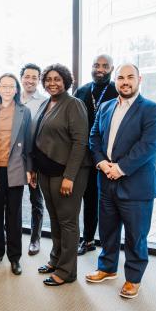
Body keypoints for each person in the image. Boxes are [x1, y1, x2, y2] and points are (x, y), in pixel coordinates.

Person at [85, 64, 156, 299]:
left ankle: (133, 278)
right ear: (115, 81)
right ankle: (107, 268)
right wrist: (101, 163)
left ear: (139, 79)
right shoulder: (107, 106)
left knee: (135, 235)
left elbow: (150, 144)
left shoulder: (152, 109)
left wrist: (120, 168)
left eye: (130, 77)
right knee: (108, 230)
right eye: (121, 78)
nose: (125, 82)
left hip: (136, 185)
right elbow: (94, 136)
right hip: (106, 181)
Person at [32, 63, 91, 286]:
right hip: (47, 171)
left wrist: (70, 177)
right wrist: (35, 169)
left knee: (67, 222)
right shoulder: (46, 103)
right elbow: (40, 137)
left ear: (66, 81)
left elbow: (80, 143)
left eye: (57, 79)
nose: (52, 83)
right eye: (48, 79)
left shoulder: (74, 104)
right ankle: (56, 259)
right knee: (55, 219)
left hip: (67, 173)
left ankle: (67, 271)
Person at [0, 73, 32, 275]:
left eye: (11, 86)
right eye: (4, 86)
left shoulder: (24, 111)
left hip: (16, 169)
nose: (8, 89)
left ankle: (14, 257)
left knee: (14, 215)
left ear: (16, 89)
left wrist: (29, 169)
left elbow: (28, 143)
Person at [74, 54, 118, 256]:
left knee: (107, 203)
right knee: (87, 197)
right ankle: (88, 239)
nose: (100, 69)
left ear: (111, 69)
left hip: (108, 156)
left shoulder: (117, 90)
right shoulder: (82, 91)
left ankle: (107, 245)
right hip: (83, 155)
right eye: (96, 65)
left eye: (105, 66)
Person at [19, 63, 46, 255]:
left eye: (34, 77)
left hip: (34, 156)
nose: (30, 80)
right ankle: (11, 234)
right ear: (21, 78)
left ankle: (35, 238)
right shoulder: (12, 99)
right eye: (27, 76)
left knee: (36, 199)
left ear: (39, 80)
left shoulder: (44, 102)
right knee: (11, 198)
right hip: (13, 157)